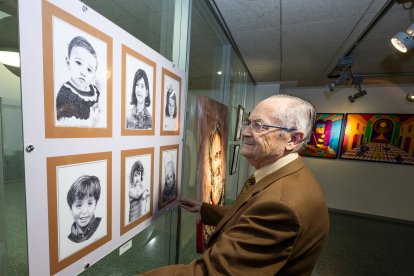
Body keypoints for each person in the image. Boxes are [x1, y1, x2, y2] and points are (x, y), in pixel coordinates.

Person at [143, 94, 329, 275]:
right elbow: (249, 214)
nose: (245, 132)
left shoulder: (282, 206)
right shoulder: (285, 177)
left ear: (293, 139)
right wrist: (204, 209)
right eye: (248, 123)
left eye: (259, 125)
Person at [56, 36, 101, 127]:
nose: (83, 72)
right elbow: (63, 123)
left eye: (89, 69)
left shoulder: (95, 91)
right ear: (68, 63)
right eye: (79, 63)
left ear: (93, 77)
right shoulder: (65, 93)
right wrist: (89, 123)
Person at [66, 175, 101, 243]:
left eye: (90, 204)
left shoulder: (101, 225)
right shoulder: (70, 238)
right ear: (71, 209)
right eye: (79, 205)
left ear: (95, 205)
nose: (84, 211)